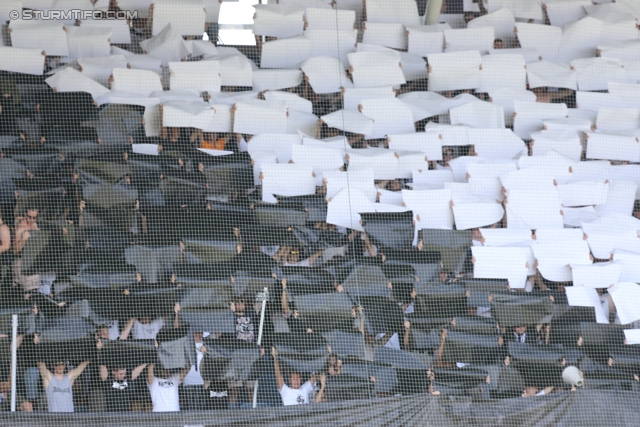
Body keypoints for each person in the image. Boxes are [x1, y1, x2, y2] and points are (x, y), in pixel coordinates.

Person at [12, 207, 40, 293]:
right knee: (29, 290)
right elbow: (15, 250)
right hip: (21, 260)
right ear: (25, 215)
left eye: (34, 217)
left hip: (33, 260)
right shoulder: (21, 228)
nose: (31, 220)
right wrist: (24, 240)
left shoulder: (36, 225)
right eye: (29, 217)